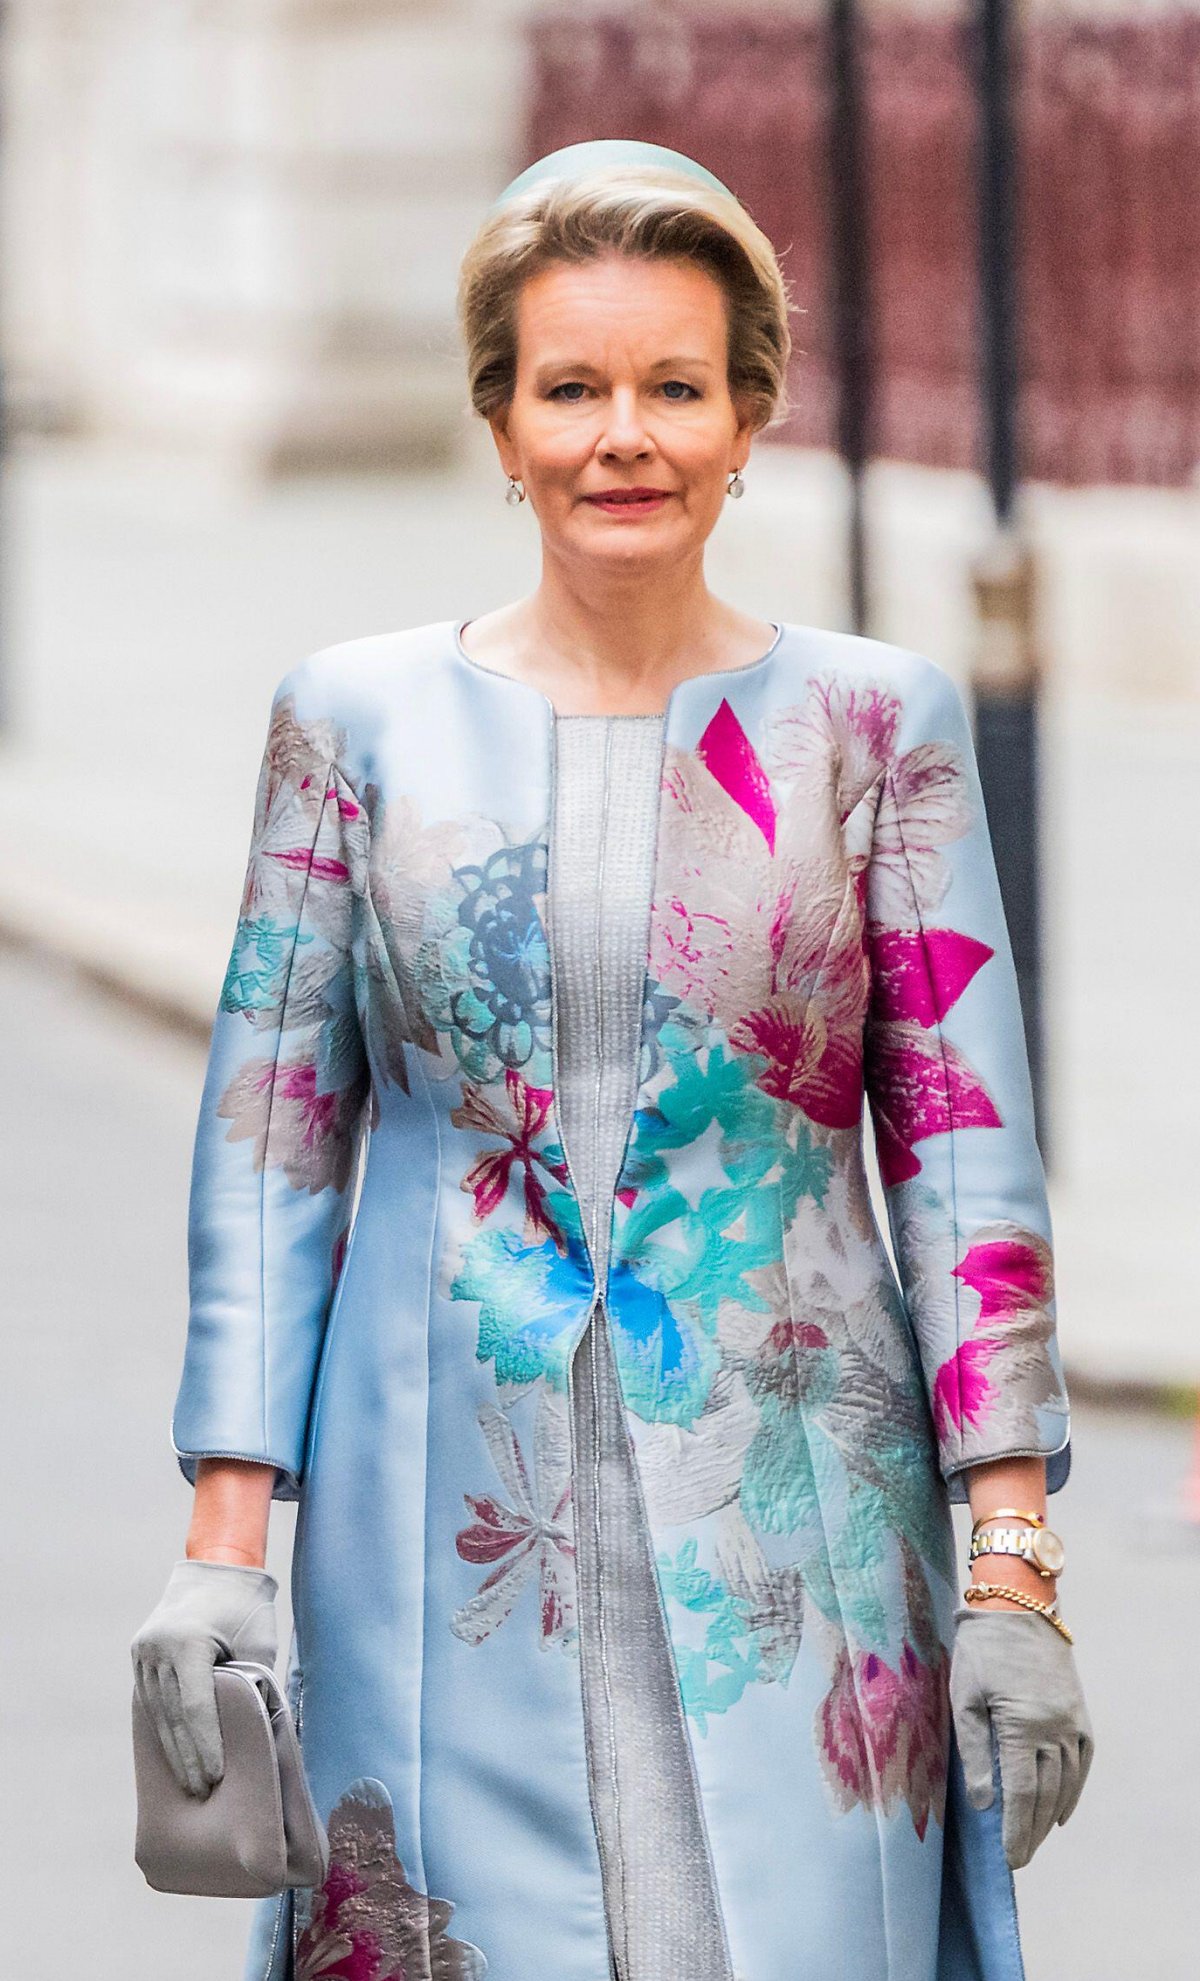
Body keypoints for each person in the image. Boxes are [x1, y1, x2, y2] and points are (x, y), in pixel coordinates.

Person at [131, 139, 1093, 1981]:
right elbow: (270, 1144)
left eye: (675, 385)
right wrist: (225, 1542)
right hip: (443, 1517)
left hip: (798, 1534)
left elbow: (966, 1157)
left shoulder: (872, 726)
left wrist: (1012, 1563)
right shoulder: (353, 722)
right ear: (502, 422)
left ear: (750, 416)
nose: (622, 435)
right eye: (572, 388)